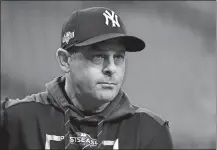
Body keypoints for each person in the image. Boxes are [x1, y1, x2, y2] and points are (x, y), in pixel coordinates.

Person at [0, 7, 173, 149]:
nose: (111, 68)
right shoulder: (15, 119)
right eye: (98, 56)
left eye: (118, 57)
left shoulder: (150, 130)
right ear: (65, 60)